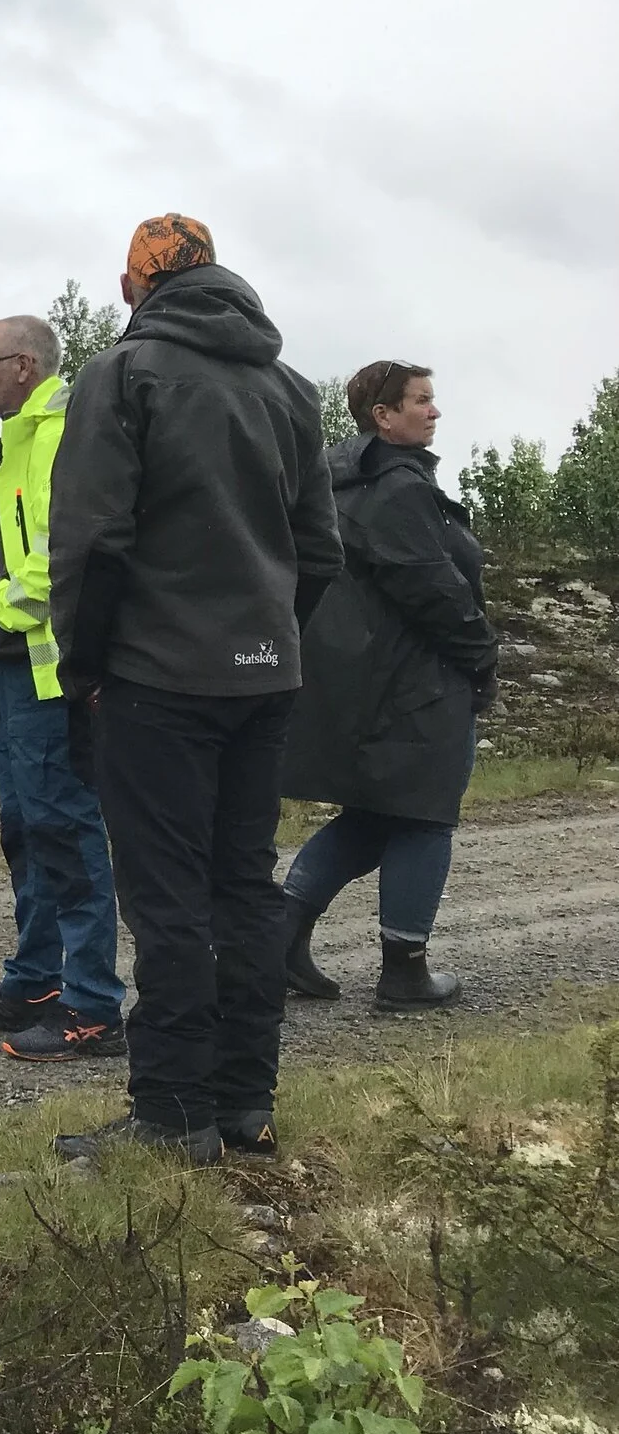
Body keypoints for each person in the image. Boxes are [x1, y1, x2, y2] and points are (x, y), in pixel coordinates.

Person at [48, 216, 341, 1165]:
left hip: (156, 678)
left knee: (169, 898)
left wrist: (85, 667)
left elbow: (93, 542)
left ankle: (173, 1113)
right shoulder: (288, 388)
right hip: (264, 677)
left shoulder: (122, 375)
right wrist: (269, 634)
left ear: (136, 287)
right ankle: (244, 1103)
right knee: (243, 889)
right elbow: (320, 551)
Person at [280, 361, 495, 1013]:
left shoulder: (342, 480)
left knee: (375, 816)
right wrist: (482, 657)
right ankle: (405, 972)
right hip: (416, 684)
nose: (434, 412)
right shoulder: (396, 488)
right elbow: (432, 589)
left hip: (366, 678)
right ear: (383, 415)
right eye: (421, 401)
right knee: (426, 816)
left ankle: (276, 941)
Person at [0, 318, 126, 1060]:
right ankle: (38, 979)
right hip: (19, 670)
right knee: (27, 827)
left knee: (64, 828)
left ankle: (92, 1005)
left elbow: (63, 554)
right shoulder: (21, 437)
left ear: (23, 365)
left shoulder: (61, 434)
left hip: (51, 670)